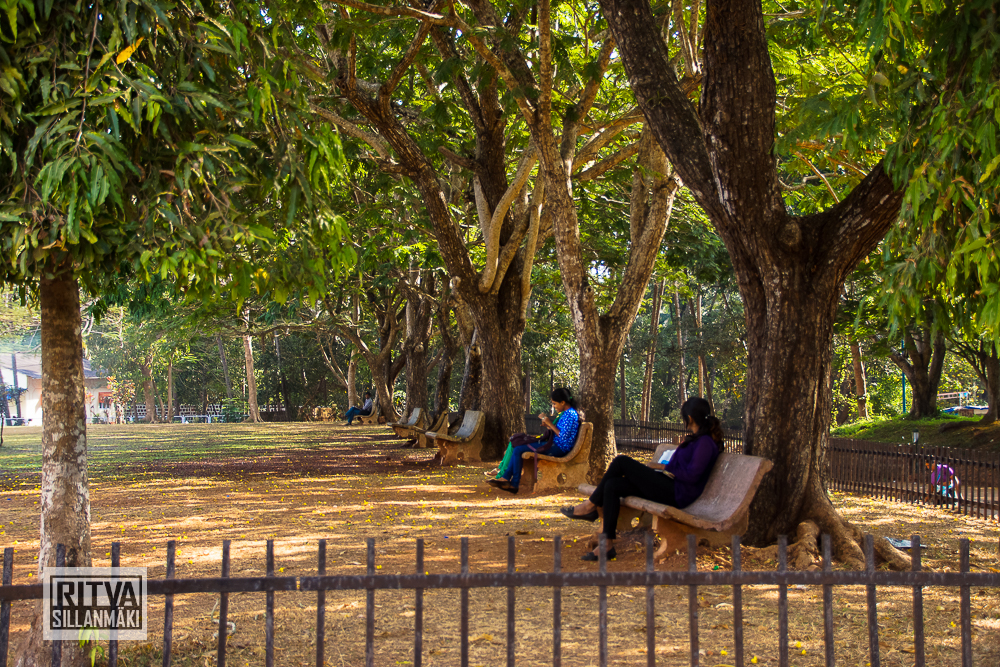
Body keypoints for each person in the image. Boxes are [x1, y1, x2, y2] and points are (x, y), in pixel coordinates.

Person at [560, 396, 722, 561]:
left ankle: (590, 505)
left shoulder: (705, 443)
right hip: (670, 485)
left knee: (621, 461)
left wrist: (665, 467)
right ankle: (606, 544)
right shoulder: (696, 441)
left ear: (689, 418)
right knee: (612, 485)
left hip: (678, 494)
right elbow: (682, 467)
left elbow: (692, 475)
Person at [487, 387, 581, 493]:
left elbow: (563, 436)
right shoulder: (566, 413)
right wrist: (548, 426)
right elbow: (559, 432)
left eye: (555, 404)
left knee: (518, 449)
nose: (554, 407)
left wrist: (550, 424)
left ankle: (512, 482)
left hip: (559, 448)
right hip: (554, 444)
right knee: (518, 447)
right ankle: (509, 481)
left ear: (563, 402)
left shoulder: (571, 415)